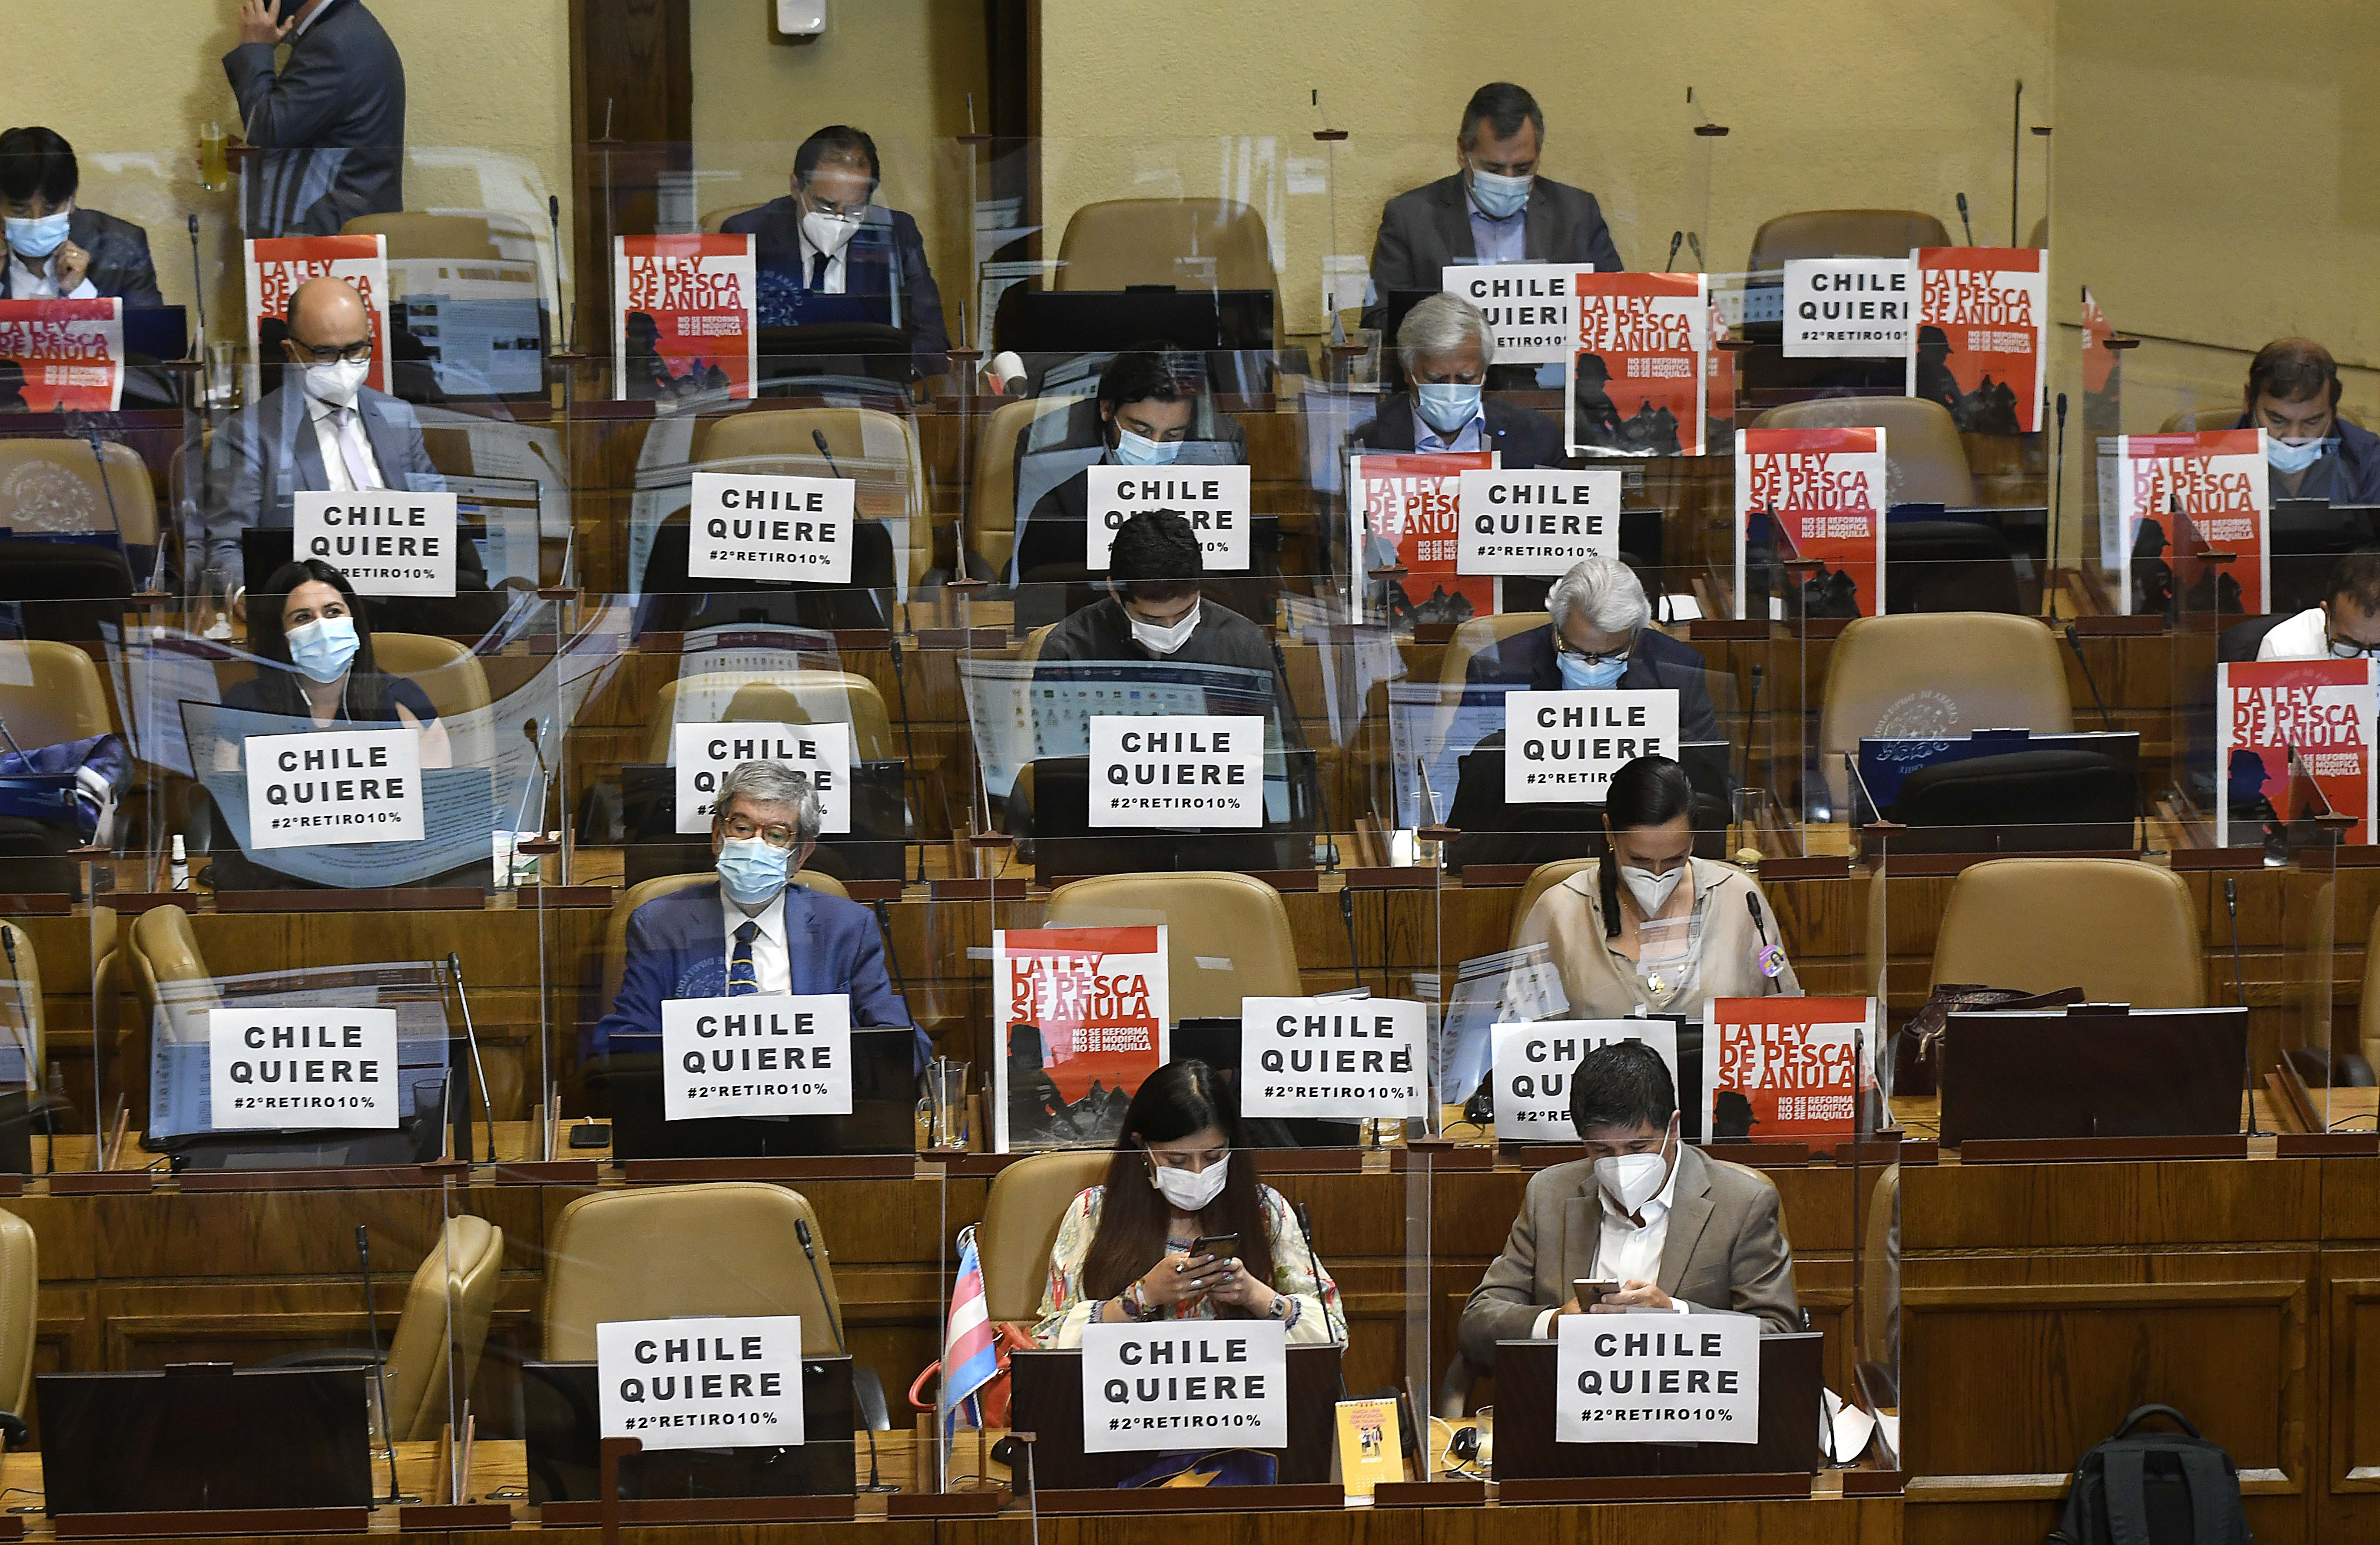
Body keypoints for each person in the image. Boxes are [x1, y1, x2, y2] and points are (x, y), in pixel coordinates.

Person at [1458, 1039, 1800, 1368]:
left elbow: (1781, 1338)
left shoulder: (1742, 1202)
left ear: (1674, 1128)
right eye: (1602, 1150)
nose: (1620, 1164)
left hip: (1688, 1414)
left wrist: (1677, 1318)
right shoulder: (1549, 1195)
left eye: (1638, 1148)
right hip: (1571, 1415)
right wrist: (1552, 1325)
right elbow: (1478, 1322)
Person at [590, 760, 924, 1066]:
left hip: (815, 1119)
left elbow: (901, 1041)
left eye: (776, 835)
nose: (755, 845)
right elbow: (621, 1044)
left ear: (802, 853)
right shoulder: (660, 925)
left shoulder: (846, 927)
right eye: (743, 828)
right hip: (700, 1120)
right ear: (717, 835)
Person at [1033, 1059, 1345, 1347]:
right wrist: (1142, 1296)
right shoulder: (1094, 1212)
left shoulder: (1265, 1209)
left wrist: (1254, 1295)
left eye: (1213, 1156)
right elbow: (1049, 1342)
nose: (1198, 1172)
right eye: (1177, 1160)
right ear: (1142, 1148)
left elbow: (1335, 1334)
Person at [198, 276, 470, 594]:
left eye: (356, 350)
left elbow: (443, 519)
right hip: (310, 610)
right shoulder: (249, 435)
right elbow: (225, 548)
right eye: (325, 353)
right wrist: (250, 599)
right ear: (291, 352)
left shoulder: (397, 417)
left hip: (406, 599)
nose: (344, 365)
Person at [1516, 755, 1798, 1018]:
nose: (1657, 874)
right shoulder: (1560, 910)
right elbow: (1520, 1038)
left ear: (1693, 840)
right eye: (1639, 861)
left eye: (1676, 858)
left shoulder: (1740, 899)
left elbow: (1786, 1021)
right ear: (1609, 831)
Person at [1362, 83, 1624, 337]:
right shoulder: (1411, 218)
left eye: (1523, 169)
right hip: (1453, 378)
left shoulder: (1577, 213)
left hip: (1551, 379)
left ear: (1539, 156)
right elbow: (1378, 320)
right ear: (1463, 153)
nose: (1509, 180)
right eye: (1493, 169)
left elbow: (1619, 308)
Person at [1008, 347, 1249, 585]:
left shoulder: (1220, 450)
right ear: (1107, 409)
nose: (1155, 446)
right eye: (1141, 431)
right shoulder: (1053, 456)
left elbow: (1234, 571)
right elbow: (1038, 569)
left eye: (1173, 435)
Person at [722, 125, 950, 369]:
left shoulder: (896, 233)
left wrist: (866, 371)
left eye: (855, 209)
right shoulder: (747, 234)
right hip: (779, 393)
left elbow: (933, 342)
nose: (839, 221)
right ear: (796, 187)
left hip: (867, 395)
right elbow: (723, 342)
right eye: (825, 206)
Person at [216, 559, 451, 766]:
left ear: (354, 621)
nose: (322, 627)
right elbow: (228, 806)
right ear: (281, 635)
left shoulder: (405, 703)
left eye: (333, 612)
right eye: (303, 617)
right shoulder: (244, 708)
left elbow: (437, 804)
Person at [1466, 555, 1718, 743]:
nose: (1592, 666)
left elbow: (1710, 781)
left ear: (1636, 635)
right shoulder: (1497, 669)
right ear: (1556, 626)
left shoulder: (1680, 672)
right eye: (1575, 651)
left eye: (1612, 655)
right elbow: (1462, 776)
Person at [223, 0, 406, 238]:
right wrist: (245, 157)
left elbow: (268, 129)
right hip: (346, 234)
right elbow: (318, 144)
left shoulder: (332, 42)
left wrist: (255, 47)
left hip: (336, 242)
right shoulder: (342, 27)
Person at [1035, 508, 1281, 679]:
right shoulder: (1069, 650)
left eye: (1185, 613)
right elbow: (1057, 751)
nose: (1171, 628)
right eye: (1151, 620)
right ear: (1115, 591)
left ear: (1200, 586)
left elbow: (1276, 745)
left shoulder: (1243, 643)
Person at [1350, 292, 1563, 464]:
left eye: (1467, 378)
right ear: (1408, 372)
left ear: (1485, 374)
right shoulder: (1366, 438)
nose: (1452, 390)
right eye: (1436, 379)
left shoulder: (1537, 437)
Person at [0, 128, 162, 304]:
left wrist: (82, 293)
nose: (36, 220)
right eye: (20, 210)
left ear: (72, 199)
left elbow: (149, 330)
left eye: (51, 209)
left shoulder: (122, 246)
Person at [2225, 337, 2380, 506]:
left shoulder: (2368, 461)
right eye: (2277, 420)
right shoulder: (2210, 461)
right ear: (2249, 400)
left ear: (2334, 411)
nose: (2294, 438)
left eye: (2312, 422)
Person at [2258, 546, 2380, 660]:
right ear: (2327, 614)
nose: (2365, 662)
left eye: (2378, 648)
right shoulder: (2284, 649)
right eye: (2348, 646)